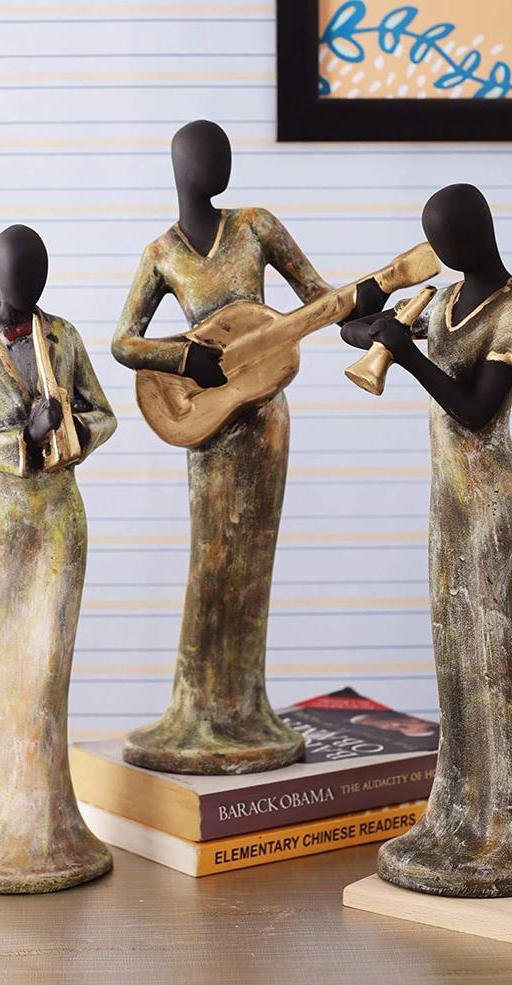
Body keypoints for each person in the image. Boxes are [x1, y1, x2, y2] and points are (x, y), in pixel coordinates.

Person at [112, 120, 388, 774]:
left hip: (262, 416)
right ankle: (197, 709)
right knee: (209, 561)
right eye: (207, 156)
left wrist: (371, 320)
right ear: (180, 168)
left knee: (252, 559)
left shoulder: (256, 226)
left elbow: (318, 299)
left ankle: (243, 708)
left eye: (225, 154)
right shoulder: (161, 253)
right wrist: (184, 358)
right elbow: (124, 342)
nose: (221, 166)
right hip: (206, 421)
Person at [342, 184, 512, 897]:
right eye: (435, 243)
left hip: (495, 503)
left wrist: (407, 358)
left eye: (448, 239)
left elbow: (476, 410)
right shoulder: (441, 300)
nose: (441, 253)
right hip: (450, 500)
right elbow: (353, 331)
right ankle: (461, 815)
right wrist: (376, 308)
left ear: (479, 232)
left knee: (498, 665)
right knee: (456, 658)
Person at [0, 225, 116, 893]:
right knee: (8, 670)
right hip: (7, 522)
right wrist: (21, 438)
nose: (28, 289)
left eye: (37, 278)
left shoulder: (64, 336)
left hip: (60, 513)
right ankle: (0, 819)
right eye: (17, 278)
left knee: (49, 670)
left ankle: (52, 823)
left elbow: (104, 413)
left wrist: (72, 430)